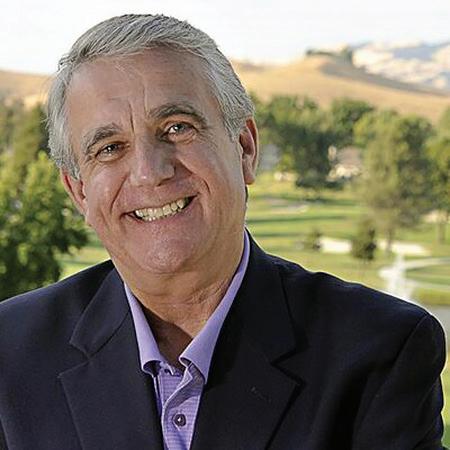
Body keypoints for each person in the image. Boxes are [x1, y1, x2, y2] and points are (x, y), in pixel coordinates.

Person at [0, 14, 446, 450]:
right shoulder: (9, 353)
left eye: (177, 128)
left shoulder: (379, 353)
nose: (150, 172)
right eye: (110, 148)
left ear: (245, 147)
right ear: (79, 191)